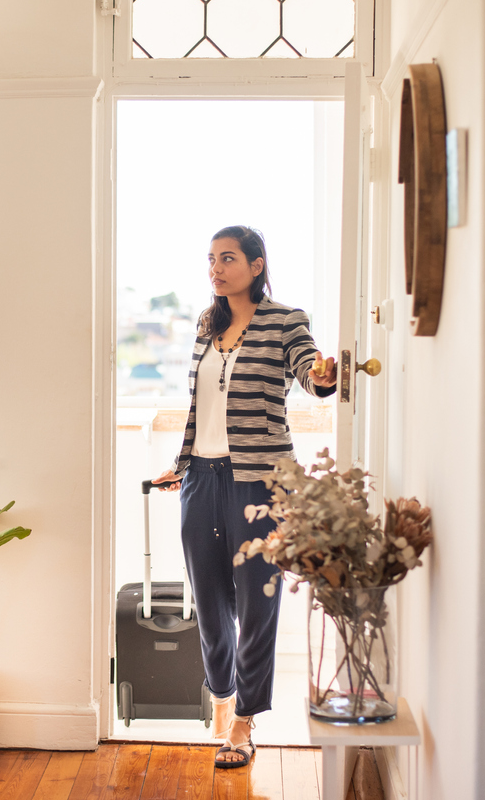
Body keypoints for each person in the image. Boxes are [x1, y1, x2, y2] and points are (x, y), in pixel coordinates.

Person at [153, 225, 337, 768]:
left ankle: (244, 720)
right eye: (211, 259)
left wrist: (323, 376)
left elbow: (309, 371)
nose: (216, 268)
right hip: (201, 479)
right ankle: (223, 693)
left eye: (228, 258)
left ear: (256, 265)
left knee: (258, 600)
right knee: (208, 599)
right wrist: (183, 463)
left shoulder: (286, 320)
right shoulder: (208, 326)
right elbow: (199, 407)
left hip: (260, 482)